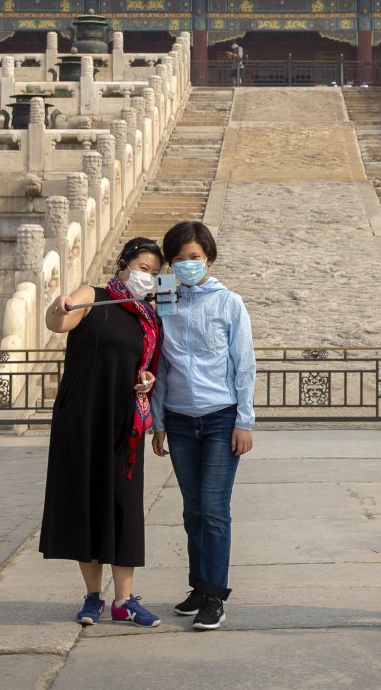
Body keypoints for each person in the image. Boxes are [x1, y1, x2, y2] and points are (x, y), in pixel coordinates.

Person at [39, 236, 166, 629]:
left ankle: (124, 600)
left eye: (155, 273)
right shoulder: (94, 296)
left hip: (122, 422)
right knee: (86, 502)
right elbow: (59, 321)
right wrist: (56, 307)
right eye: (143, 268)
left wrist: (146, 380)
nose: (147, 277)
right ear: (125, 264)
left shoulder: (148, 316)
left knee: (124, 505)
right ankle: (92, 597)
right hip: (81, 417)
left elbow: (146, 367)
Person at [150, 220, 256, 631]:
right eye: (179, 259)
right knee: (192, 510)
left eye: (194, 258)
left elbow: (244, 365)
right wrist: (158, 422)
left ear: (208, 258)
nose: (187, 265)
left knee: (213, 510)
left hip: (219, 418)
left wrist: (244, 421)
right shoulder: (164, 298)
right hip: (178, 420)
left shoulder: (229, 302)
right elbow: (160, 361)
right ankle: (198, 586)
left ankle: (215, 595)